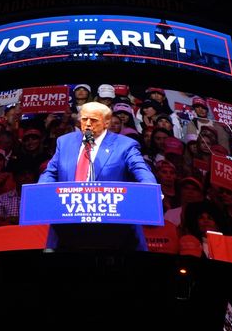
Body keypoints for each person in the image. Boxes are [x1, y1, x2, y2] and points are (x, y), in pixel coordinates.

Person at [39, 101, 157, 250]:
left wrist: (150, 190)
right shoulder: (64, 142)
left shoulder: (125, 145)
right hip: (68, 228)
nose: (87, 124)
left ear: (106, 122)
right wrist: (42, 191)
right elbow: (51, 172)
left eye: (93, 120)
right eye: (84, 119)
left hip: (112, 231)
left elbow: (141, 169)